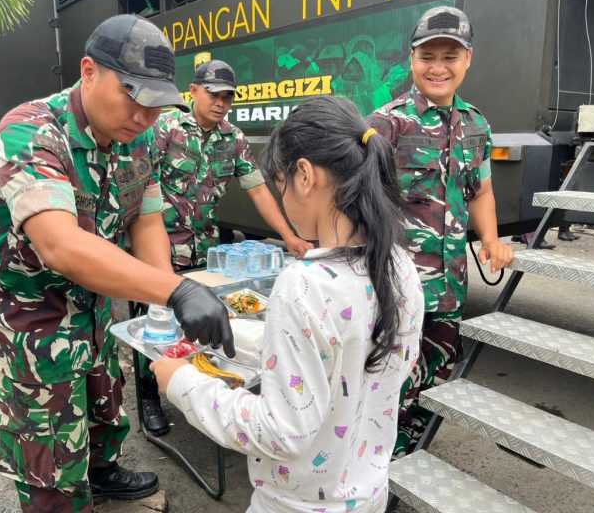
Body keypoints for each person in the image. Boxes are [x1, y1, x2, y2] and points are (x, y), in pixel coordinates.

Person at [0, 14, 235, 512]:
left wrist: (164, 295)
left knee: (101, 394)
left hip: (93, 303)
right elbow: (62, 247)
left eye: (155, 106)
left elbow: (146, 220)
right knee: (48, 436)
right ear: (89, 71)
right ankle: (58, 497)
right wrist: (175, 292)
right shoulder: (30, 130)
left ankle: (103, 470)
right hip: (32, 315)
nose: (143, 116)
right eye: (132, 97)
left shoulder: (139, 139)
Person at [151, 95, 424, 512]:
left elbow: (282, 432)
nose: (280, 198)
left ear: (303, 175)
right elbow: (359, 367)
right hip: (368, 494)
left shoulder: (303, 285)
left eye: (279, 185)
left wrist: (182, 384)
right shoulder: (400, 266)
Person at [366, 6, 514, 457]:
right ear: (411, 59)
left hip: (451, 288)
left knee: (438, 377)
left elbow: (481, 192)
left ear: (468, 59)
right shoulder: (386, 123)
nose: (438, 67)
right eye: (428, 56)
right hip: (396, 286)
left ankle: (408, 453)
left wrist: (490, 240)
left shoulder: (477, 125)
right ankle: (373, 458)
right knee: (386, 378)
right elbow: (356, 201)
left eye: (450, 56)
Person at [153, 59, 312, 270]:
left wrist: (288, 237)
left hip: (206, 253)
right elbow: (145, 191)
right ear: (193, 91)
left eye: (227, 97)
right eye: (213, 95)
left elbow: (258, 190)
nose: (221, 103)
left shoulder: (234, 138)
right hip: (161, 251)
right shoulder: (166, 128)